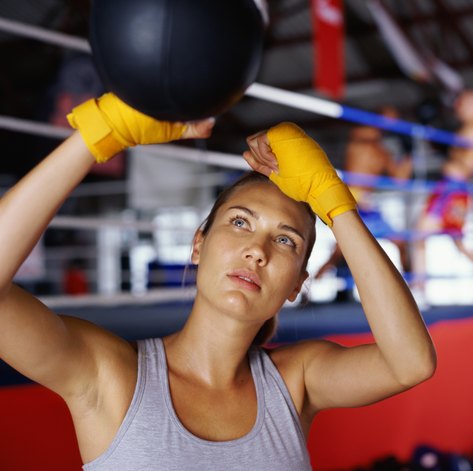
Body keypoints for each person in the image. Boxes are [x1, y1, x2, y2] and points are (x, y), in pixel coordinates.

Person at [0, 93, 437, 469]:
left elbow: (411, 362)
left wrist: (336, 204)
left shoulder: (296, 381)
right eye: (240, 222)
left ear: (296, 284)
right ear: (198, 244)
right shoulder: (110, 374)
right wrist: (97, 134)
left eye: (285, 240)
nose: (257, 250)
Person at [410, 90, 473, 307]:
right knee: (459, 242)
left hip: (451, 188)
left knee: (419, 235)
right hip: (456, 189)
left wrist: (451, 159)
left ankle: (419, 291)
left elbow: (465, 165)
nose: (459, 107)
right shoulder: (470, 129)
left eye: (465, 103)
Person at [315, 106, 413, 279]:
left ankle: (414, 286)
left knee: (401, 243)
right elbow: (364, 133)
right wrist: (383, 120)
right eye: (390, 118)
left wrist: (408, 149)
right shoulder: (361, 137)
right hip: (351, 199)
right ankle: (308, 288)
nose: (393, 122)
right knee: (338, 253)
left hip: (367, 204)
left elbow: (400, 178)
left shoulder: (383, 152)